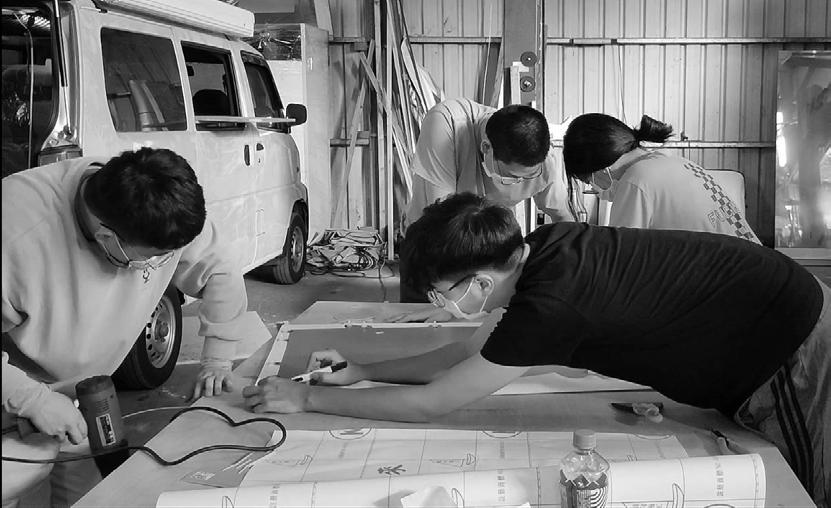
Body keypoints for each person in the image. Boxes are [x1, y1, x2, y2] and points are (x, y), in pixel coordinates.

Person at [243, 193, 829, 506]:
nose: (441, 305)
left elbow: (434, 403)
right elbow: (464, 355)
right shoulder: (541, 249)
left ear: (479, 281)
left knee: (801, 487)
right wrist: (361, 371)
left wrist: (305, 400)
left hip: (794, 344)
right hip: (767, 308)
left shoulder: (549, 307)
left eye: (441, 293)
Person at [2, 148, 248, 507]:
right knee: (19, 486)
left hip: (84, 394)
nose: (162, 264)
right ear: (107, 237)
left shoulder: (158, 206)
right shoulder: (16, 229)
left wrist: (218, 361)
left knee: (94, 497)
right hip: (13, 395)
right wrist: (30, 398)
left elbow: (220, 270)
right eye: (151, 258)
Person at [398, 98, 571, 306]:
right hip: (432, 253)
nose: (519, 182)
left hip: (485, 260)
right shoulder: (447, 123)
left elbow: (564, 220)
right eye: (511, 177)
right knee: (423, 319)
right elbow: (445, 219)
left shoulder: (543, 160)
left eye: (527, 177)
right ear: (486, 147)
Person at [562, 113, 760, 243]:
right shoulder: (675, 162)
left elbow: (621, 257)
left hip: (735, 284)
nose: (594, 189)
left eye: (588, 181)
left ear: (601, 168)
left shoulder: (636, 181)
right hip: (759, 269)